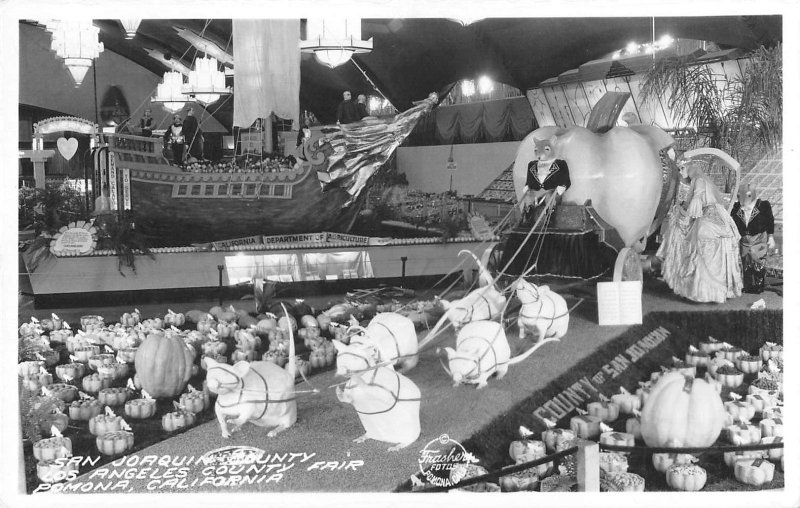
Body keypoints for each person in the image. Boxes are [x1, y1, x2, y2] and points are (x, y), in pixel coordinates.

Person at [657, 159, 743, 303]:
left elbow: (697, 199)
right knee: (702, 246)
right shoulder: (698, 180)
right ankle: (713, 291)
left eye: (682, 168)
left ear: (689, 168)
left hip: (709, 216)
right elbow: (694, 201)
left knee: (699, 246)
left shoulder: (698, 181)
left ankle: (705, 292)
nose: (680, 172)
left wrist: (686, 218)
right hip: (713, 215)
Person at [730, 184, 776, 293]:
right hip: (744, 239)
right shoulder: (735, 207)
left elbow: (770, 221)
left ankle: (759, 287)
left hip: (759, 238)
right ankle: (748, 286)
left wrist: (771, 236)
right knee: (746, 262)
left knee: (758, 262)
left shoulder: (763, 205)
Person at [519, 136, 570, 228]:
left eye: (547, 149)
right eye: (536, 150)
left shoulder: (560, 164)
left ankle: (550, 219)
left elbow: (566, 180)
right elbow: (529, 180)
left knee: (550, 197)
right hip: (536, 192)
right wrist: (527, 186)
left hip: (551, 191)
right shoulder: (531, 165)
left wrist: (561, 187)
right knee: (529, 196)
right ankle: (527, 217)